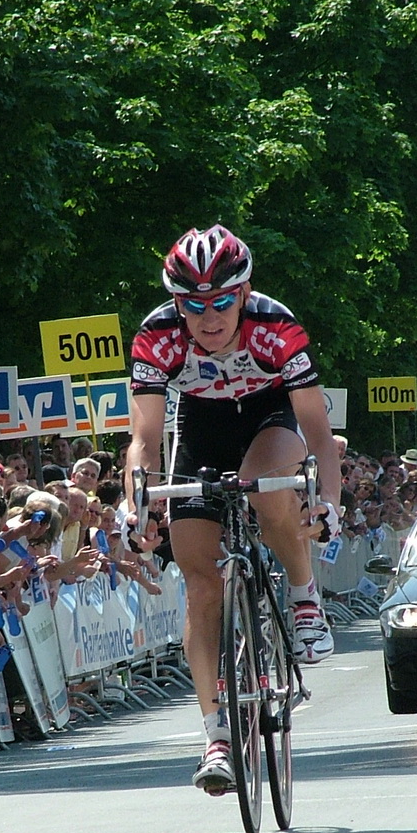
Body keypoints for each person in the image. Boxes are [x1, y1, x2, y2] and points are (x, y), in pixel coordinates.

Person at [123, 224, 342, 793]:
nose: (208, 316)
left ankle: (304, 598)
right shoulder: (157, 336)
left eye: (221, 301)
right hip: (200, 427)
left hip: (271, 418)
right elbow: (145, 440)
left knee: (263, 487)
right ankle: (216, 735)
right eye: (193, 305)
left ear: (243, 294)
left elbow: (320, 435)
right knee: (199, 581)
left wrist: (329, 504)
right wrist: (136, 506)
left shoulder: (276, 327)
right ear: (178, 304)